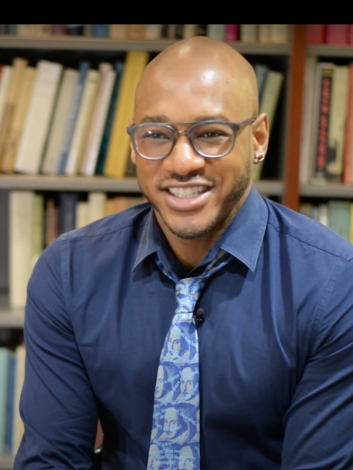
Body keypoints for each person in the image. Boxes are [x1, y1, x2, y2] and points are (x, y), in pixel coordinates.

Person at [14, 35, 353, 470]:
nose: (181, 161)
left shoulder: (334, 285)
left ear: (258, 138)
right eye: (156, 135)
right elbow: (53, 460)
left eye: (211, 134)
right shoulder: (68, 272)